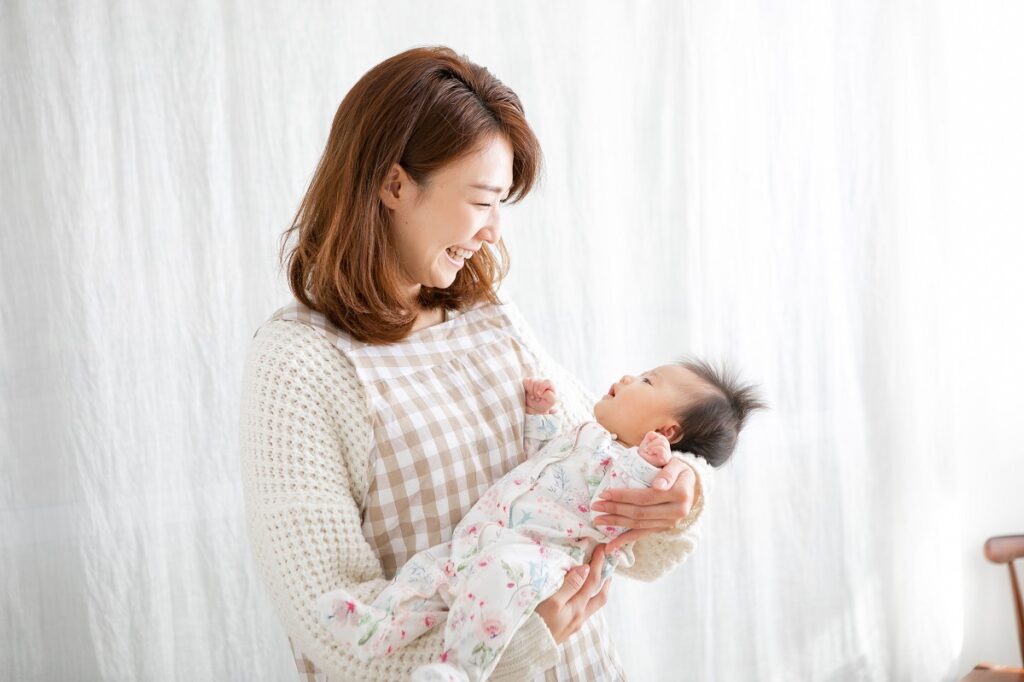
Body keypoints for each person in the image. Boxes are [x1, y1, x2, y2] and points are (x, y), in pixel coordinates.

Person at [239, 45, 709, 682]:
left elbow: (598, 470)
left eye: (501, 205)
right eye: (483, 200)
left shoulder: (488, 313)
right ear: (393, 185)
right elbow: (328, 624)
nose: (493, 232)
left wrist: (677, 490)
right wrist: (514, 647)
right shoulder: (299, 364)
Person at [317, 361, 764, 682]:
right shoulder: (588, 435)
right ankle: (379, 627)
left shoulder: (637, 471)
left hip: (538, 561)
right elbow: (546, 461)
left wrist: (652, 466)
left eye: (647, 381)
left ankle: (460, 669)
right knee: (427, 573)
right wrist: (540, 416)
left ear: (665, 433)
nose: (628, 377)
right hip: (483, 537)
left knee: (495, 585)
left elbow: (625, 506)